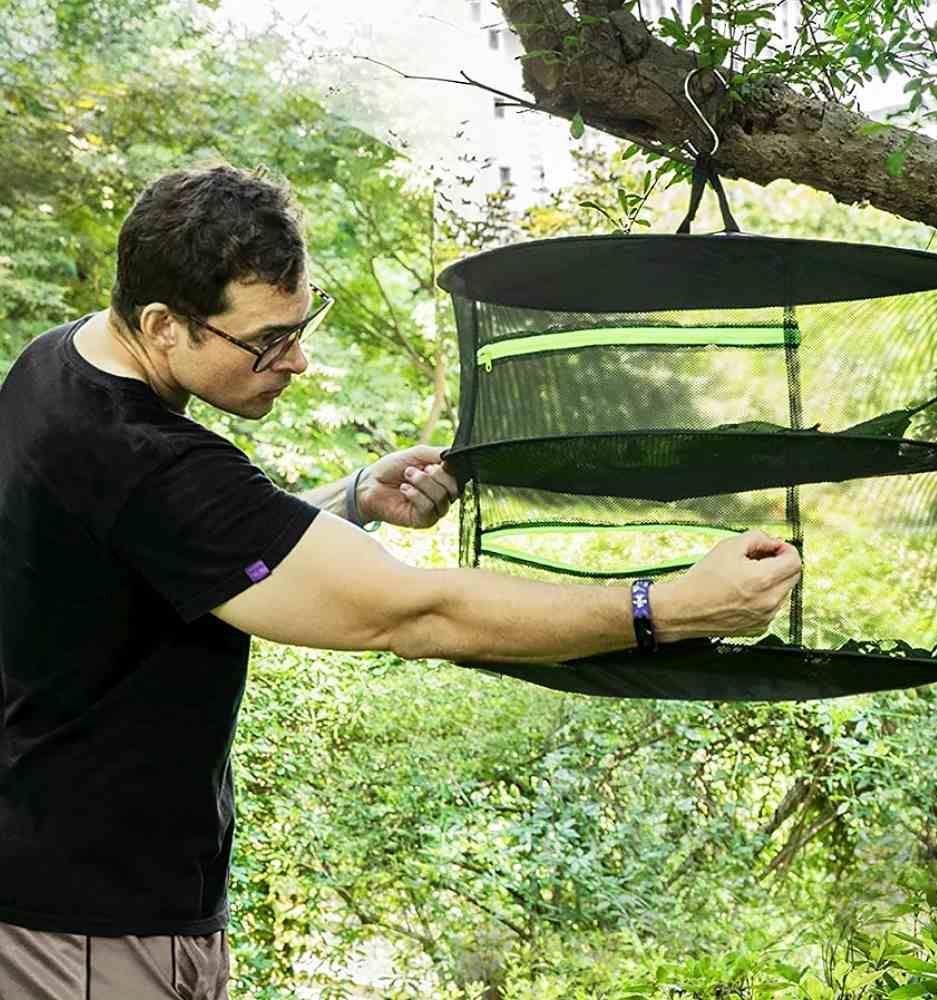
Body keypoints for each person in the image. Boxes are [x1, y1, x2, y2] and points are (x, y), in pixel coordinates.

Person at [0, 163, 801, 999]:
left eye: (302, 325)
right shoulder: (147, 460)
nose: (298, 360)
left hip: (69, 885)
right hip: (89, 928)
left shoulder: (59, 361)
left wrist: (351, 500)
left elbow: (187, 544)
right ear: (164, 325)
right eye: (268, 341)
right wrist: (669, 606)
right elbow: (415, 614)